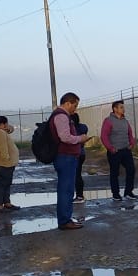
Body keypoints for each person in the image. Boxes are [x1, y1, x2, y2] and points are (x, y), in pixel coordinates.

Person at [50, 92, 91, 230]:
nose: (75, 108)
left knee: (66, 189)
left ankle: (66, 218)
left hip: (67, 156)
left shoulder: (62, 115)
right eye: (75, 105)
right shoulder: (61, 116)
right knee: (66, 190)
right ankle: (64, 220)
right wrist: (81, 139)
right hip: (65, 157)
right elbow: (65, 137)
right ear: (68, 103)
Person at [101, 100, 137, 200]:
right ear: (115, 109)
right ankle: (116, 194)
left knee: (131, 169)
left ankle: (128, 192)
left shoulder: (125, 121)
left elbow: (130, 133)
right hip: (114, 152)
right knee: (114, 173)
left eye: (123, 107)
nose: (123, 109)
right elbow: (104, 136)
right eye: (121, 107)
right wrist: (111, 148)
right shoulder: (108, 121)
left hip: (126, 150)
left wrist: (131, 143)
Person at [0, 116, 21, 212]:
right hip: (2, 163)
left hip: (3, 163)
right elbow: (3, 148)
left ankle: (6, 203)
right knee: (1, 184)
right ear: (3, 124)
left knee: (6, 183)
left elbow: (10, 130)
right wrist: (7, 159)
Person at [71, 112, 88, 203]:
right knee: (78, 174)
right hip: (81, 153)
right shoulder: (83, 127)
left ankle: (79, 196)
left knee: (76, 175)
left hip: (75, 154)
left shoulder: (72, 129)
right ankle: (79, 195)